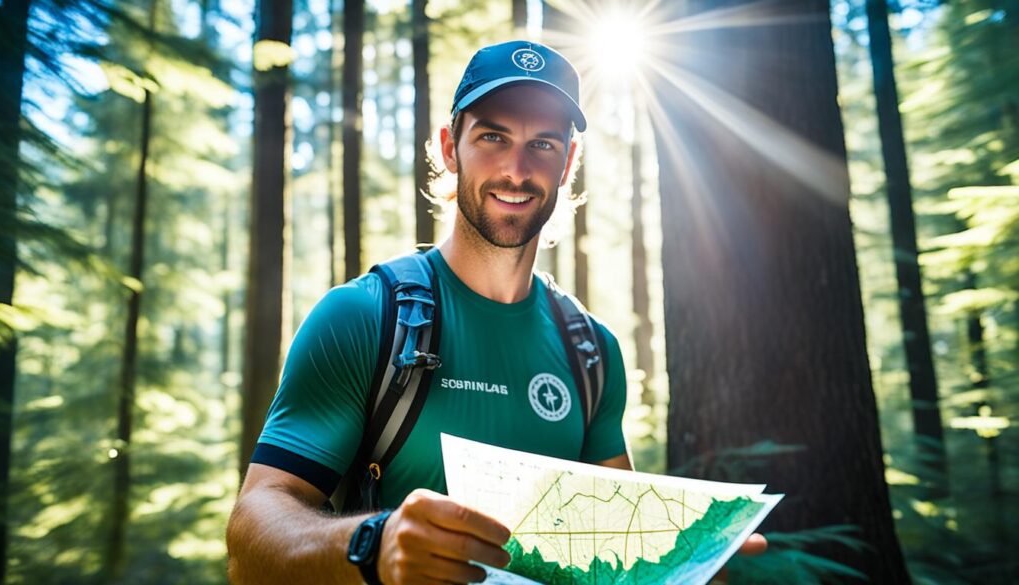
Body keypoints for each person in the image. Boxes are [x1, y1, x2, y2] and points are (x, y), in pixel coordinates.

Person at [226, 40, 765, 585]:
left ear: (568, 162)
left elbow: (616, 556)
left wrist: (684, 567)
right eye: (492, 136)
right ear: (450, 147)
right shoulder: (362, 318)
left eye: (544, 144)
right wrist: (371, 544)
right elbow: (251, 539)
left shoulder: (592, 350)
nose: (516, 169)